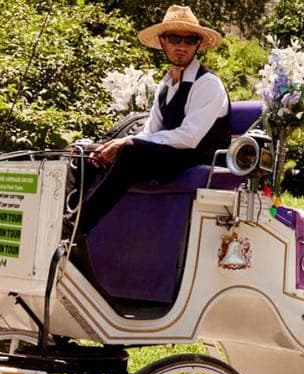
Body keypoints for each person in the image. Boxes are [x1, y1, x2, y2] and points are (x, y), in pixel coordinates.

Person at [76, 5, 230, 235]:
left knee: (129, 151)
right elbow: (150, 131)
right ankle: (63, 213)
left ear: (198, 44)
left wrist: (128, 144)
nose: (181, 46)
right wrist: (114, 146)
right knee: (87, 152)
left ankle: (79, 226)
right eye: (174, 38)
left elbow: (188, 137)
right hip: (166, 156)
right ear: (162, 41)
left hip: (196, 156)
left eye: (189, 40)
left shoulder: (207, 84)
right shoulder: (166, 84)